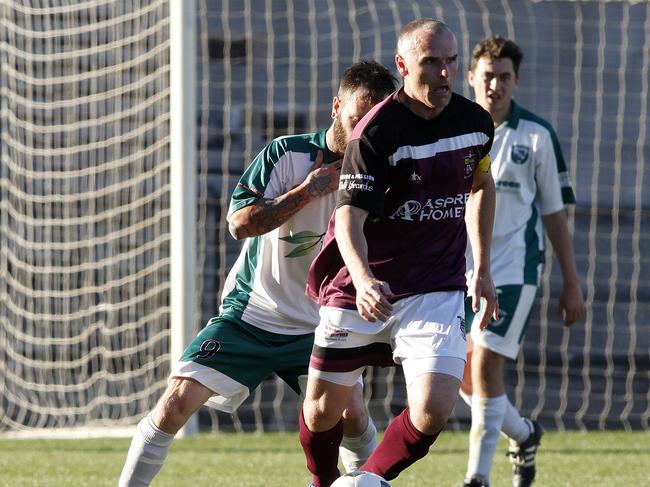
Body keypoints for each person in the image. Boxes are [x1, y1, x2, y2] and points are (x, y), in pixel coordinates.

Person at [118, 60, 396, 487]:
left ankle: (367, 482)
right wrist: (309, 189)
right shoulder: (288, 153)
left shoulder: (381, 172)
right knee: (175, 403)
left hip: (321, 322)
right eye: (357, 120)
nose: (364, 133)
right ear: (336, 107)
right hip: (252, 314)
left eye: (374, 125)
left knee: (353, 416)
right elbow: (240, 224)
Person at [299, 19, 499, 487]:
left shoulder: (475, 123)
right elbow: (348, 218)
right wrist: (365, 279)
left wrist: (482, 270)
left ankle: (364, 482)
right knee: (323, 409)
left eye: (451, 62)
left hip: (436, 283)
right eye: (432, 62)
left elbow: (481, 185)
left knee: (432, 410)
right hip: (366, 284)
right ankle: (323, 483)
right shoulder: (376, 132)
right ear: (404, 65)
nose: (444, 73)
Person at [459, 36, 585, 487]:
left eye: (504, 77)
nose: (495, 85)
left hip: (514, 272)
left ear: (516, 80)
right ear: (471, 77)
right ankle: (524, 433)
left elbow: (554, 213)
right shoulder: (451, 132)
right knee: (461, 375)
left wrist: (572, 280)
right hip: (456, 275)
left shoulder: (536, 135)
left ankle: (478, 477)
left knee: (486, 365)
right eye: (487, 76)